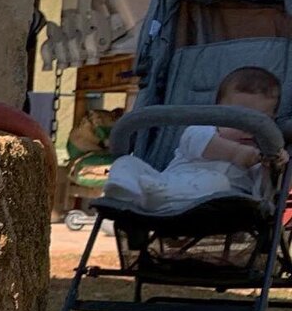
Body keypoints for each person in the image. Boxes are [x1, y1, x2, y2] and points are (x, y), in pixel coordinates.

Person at [102, 66, 288, 211]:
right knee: (128, 162)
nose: (248, 129)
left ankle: (154, 195)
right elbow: (202, 144)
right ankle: (122, 188)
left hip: (214, 206)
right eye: (238, 119)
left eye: (259, 121)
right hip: (164, 181)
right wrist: (238, 154)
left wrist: (271, 167)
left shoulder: (260, 153)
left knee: (218, 183)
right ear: (218, 114)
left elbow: (262, 195)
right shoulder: (204, 129)